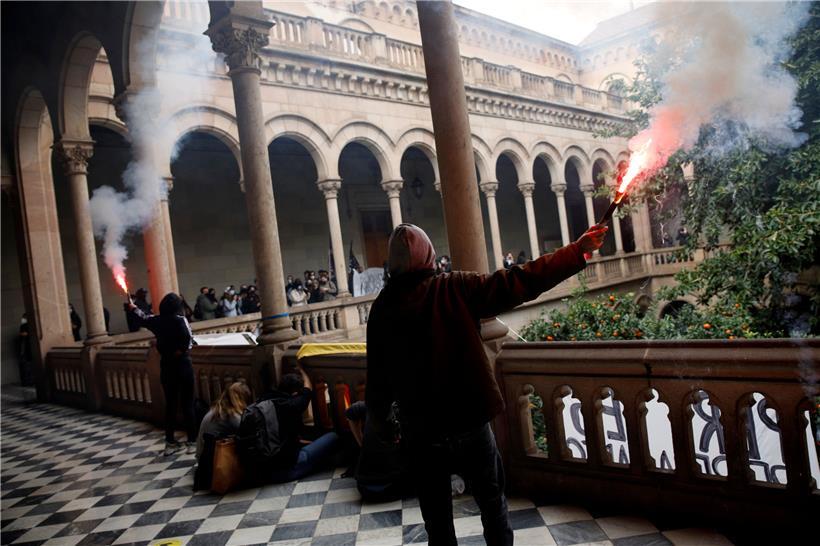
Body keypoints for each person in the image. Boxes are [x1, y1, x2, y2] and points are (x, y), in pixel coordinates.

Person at [366, 222, 607, 546]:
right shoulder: (453, 288)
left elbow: (377, 379)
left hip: (422, 433)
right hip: (469, 422)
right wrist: (577, 251)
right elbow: (519, 280)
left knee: (437, 521)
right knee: (493, 505)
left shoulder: (382, 310)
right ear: (428, 257)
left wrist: (383, 425)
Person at [127, 293, 197, 456]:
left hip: (166, 365)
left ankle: (170, 442)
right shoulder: (180, 320)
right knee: (188, 404)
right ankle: (192, 441)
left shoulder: (157, 321)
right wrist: (179, 352)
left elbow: (144, 318)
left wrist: (133, 308)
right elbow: (188, 341)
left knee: (170, 405)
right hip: (183, 365)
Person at [262, 372, 339, 483]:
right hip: (288, 470)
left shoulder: (263, 401)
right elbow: (308, 388)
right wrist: (302, 370)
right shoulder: (293, 405)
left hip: (262, 470)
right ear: (295, 393)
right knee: (333, 436)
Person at [196, 382, 253, 461]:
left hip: (202, 457)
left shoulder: (217, 409)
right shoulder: (231, 414)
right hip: (212, 465)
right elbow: (246, 432)